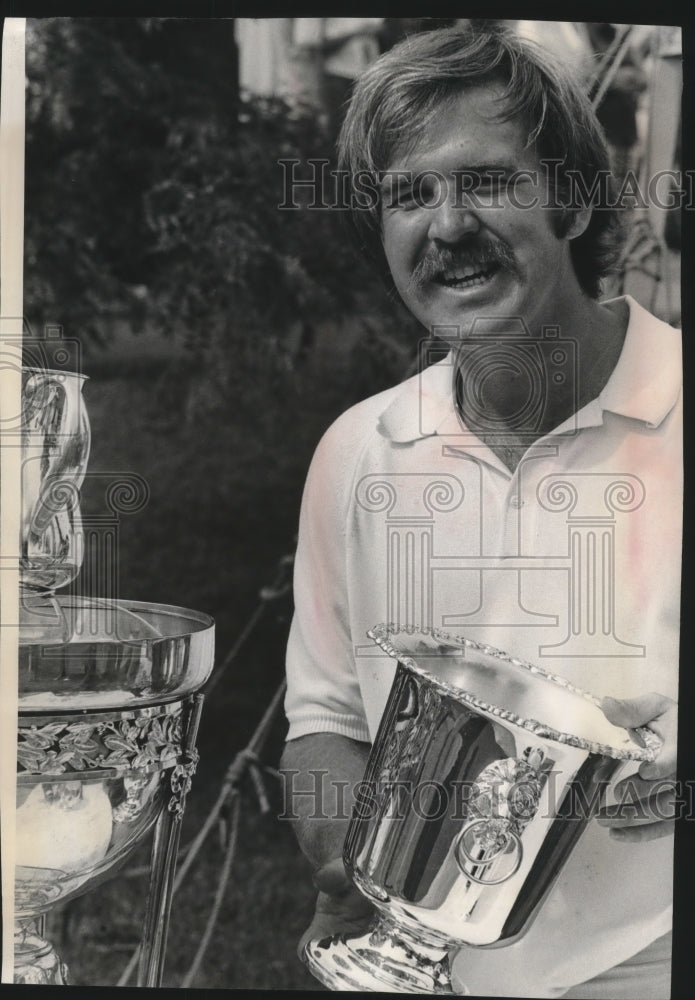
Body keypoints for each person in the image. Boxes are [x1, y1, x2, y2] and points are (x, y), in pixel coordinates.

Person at [281, 24, 680, 999]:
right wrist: (354, 857)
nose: (446, 225)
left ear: (573, 197)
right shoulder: (355, 452)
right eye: (409, 194)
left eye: (487, 181)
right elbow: (323, 716)